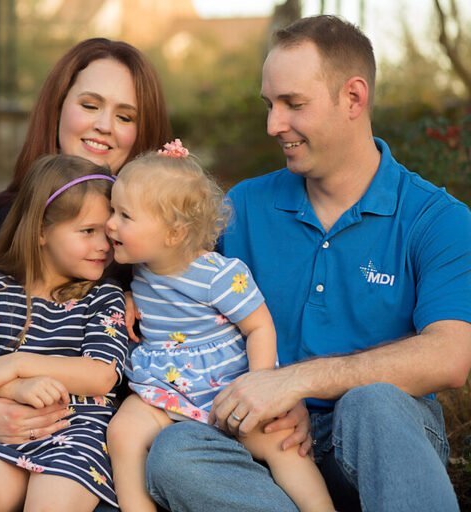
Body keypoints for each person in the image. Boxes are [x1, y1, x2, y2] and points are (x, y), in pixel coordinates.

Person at [144, 15, 471, 512]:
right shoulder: (244, 207)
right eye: (270, 105)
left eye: (294, 104)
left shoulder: (436, 219)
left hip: (380, 442)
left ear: (354, 99)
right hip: (267, 444)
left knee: (373, 403)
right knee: (174, 451)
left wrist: (293, 381)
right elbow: (183, 291)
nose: (274, 124)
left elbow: (450, 356)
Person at [0, 37, 170, 510]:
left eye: (125, 115)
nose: (103, 126)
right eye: (90, 104)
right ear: (58, 107)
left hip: (93, 429)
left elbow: (127, 368)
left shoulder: (157, 242)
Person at [105, 141, 334, 512]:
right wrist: (128, 298)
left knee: (284, 447)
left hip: (228, 390)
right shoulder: (140, 267)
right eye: (112, 210)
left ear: (174, 233)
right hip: (166, 389)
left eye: (124, 216)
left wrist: (261, 388)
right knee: (122, 431)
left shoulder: (218, 275)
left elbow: (260, 327)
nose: (110, 223)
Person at [0, 154, 129, 511]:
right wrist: (15, 387)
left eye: (108, 233)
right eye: (87, 231)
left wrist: (19, 363)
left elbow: (101, 375)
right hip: (2, 428)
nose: (103, 246)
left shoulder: (103, 296)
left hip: (76, 433)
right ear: (40, 230)